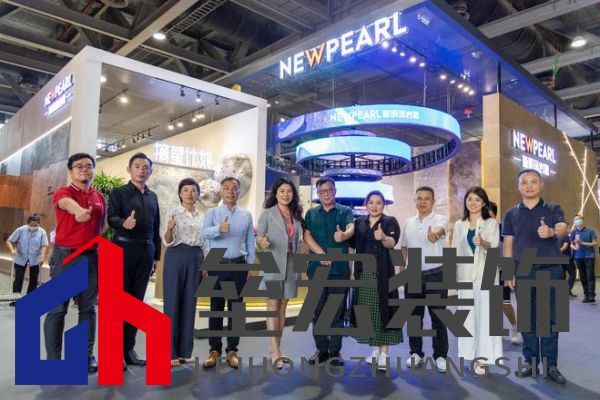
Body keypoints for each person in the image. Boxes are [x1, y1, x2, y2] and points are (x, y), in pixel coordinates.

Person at [503, 169, 567, 384]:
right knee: (527, 320)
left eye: (533, 182)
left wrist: (552, 232)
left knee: (549, 321)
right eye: (524, 182)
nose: (529, 186)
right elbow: (508, 243)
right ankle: (530, 363)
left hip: (551, 270)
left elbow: (563, 228)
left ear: (541, 185)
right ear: (518, 186)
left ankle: (551, 366)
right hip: (524, 271)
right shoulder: (511, 213)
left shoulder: (552, 208)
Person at [43, 153, 106, 374]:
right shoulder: (64, 192)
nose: (84, 169)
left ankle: (85, 356)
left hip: (91, 257)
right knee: (57, 310)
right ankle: (53, 361)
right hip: (66, 257)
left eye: (89, 166)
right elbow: (66, 203)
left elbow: (101, 225)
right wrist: (78, 210)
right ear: (70, 171)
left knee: (88, 309)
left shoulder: (98, 196)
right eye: (79, 166)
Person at [108, 152, 161, 368]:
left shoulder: (153, 196)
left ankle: (128, 349)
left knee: (136, 303)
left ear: (150, 171)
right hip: (123, 249)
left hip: (146, 251)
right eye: (137, 166)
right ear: (129, 169)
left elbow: (156, 227)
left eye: (145, 167)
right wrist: (123, 222)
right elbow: (110, 217)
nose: (141, 170)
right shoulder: (118, 192)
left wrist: (156, 256)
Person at [200, 177, 255, 370]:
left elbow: (250, 242)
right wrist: (219, 229)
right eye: (226, 188)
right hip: (217, 263)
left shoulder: (246, 215)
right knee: (216, 308)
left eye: (234, 188)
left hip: (239, 265)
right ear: (221, 192)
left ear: (239, 192)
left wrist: (250, 266)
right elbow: (204, 233)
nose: (231, 191)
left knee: (236, 310)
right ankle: (214, 350)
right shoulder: (213, 212)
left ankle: (232, 351)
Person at [303, 177, 354, 366]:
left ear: (335, 191)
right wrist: (320, 253)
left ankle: (335, 351)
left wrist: (344, 235)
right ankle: (321, 350)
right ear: (318, 193)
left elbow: (351, 228)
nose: (326, 194)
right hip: (316, 269)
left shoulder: (345, 211)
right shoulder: (311, 213)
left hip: (339, 269)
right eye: (322, 191)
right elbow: (306, 235)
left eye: (329, 190)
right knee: (317, 311)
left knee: (337, 312)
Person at [451, 186, 502, 375]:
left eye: (477, 200)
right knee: (468, 317)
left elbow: (494, 248)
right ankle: (470, 355)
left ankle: (483, 359)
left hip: (486, 273)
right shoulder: (459, 225)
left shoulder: (491, 223)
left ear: (484, 203)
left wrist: (483, 243)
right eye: (470, 199)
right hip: (466, 274)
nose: (473, 203)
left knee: (486, 317)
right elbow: (455, 250)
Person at [351, 190, 402, 370]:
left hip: (383, 274)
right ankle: (374, 350)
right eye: (371, 202)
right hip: (363, 274)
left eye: (378, 202)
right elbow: (352, 247)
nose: (374, 206)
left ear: (383, 205)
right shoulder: (359, 223)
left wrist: (383, 237)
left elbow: (392, 243)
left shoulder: (390, 221)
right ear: (366, 204)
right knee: (369, 313)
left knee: (384, 312)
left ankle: (384, 354)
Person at [400, 186, 449, 373]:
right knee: (414, 317)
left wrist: (434, 235)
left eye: (427, 198)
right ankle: (416, 353)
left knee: (438, 318)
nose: (422, 202)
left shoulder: (441, 219)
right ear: (414, 201)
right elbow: (403, 247)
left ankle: (440, 356)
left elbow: (440, 231)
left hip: (436, 274)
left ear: (433, 201)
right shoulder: (408, 222)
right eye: (419, 198)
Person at [256, 178, 304, 369]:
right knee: (272, 305)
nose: (286, 194)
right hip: (272, 263)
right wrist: (262, 242)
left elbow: (299, 240)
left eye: (289, 191)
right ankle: (275, 351)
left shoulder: (297, 215)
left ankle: (276, 346)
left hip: (291, 264)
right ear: (275, 193)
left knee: (283, 307)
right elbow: (259, 238)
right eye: (282, 191)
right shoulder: (267, 214)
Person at [163, 178, 205, 367]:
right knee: (172, 303)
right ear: (180, 193)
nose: (190, 193)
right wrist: (170, 229)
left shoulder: (203, 216)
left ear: (198, 194)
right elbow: (166, 240)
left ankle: (185, 351)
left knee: (190, 303)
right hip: (176, 256)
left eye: (193, 190)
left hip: (196, 258)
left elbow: (206, 242)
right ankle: (170, 352)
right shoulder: (172, 212)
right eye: (186, 190)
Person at [489, 202, 523, 344]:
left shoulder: (503, 228)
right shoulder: (479, 229)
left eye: (487, 212)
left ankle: (515, 327)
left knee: (504, 302)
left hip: (502, 268)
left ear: (493, 213)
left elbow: (511, 250)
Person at [6, 214, 48, 306]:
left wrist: (42, 257)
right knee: (19, 278)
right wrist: (12, 250)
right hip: (20, 257)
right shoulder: (20, 230)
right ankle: (15, 299)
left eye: (35, 225)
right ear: (28, 223)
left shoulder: (42, 232)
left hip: (35, 258)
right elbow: (9, 241)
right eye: (31, 225)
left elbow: (44, 245)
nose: (33, 227)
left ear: (39, 224)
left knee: (33, 280)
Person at [570, 214, 597, 303]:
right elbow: (571, 244)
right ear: (574, 221)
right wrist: (574, 247)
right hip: (578, 257)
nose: (577, 220)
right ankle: (586, 295)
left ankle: (591, 295)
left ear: (582, 220)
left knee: (590, 276)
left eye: (579, 219)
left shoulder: (590, 231)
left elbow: (595, 244)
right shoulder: (573, 232)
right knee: (583, 277)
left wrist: (583, 243)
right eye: (575, 219)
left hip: (589, 256)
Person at [559, 223, 577, 298]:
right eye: (568, 228)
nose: (569, 229)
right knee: (572, 274)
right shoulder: (566, 237)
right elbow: (564, 247)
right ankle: (567, 289)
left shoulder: (557, 237)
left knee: (562, 276)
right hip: (567, 258)